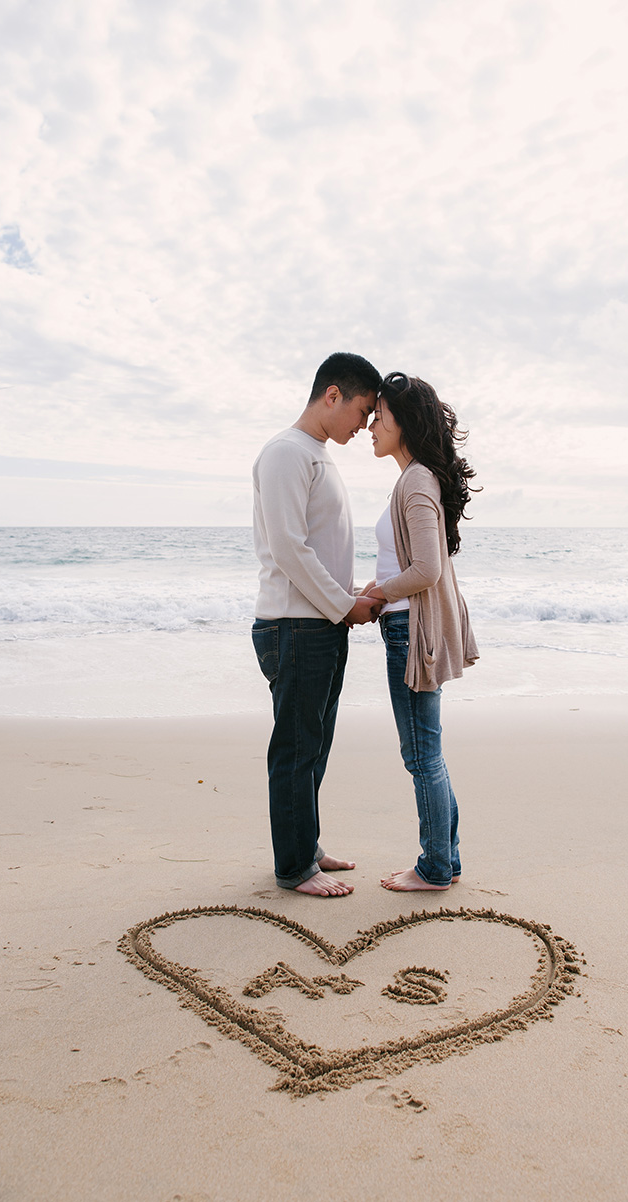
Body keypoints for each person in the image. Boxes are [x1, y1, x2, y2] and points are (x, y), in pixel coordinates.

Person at [251, 352, 383, 896]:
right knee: (297, 747)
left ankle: (305, 845)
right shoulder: (286, 452)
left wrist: (348, 593)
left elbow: (318, 549)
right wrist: (341, 604)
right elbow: (287, 547)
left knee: (316, 745)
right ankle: (293, 867)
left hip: (319, 620)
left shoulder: (317, 455)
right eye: (362, 410)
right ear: (333, 394)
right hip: (295, 626)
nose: (365, 424)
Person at [360, 372, 479, 891]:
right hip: (408, 625)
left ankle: (433, 867)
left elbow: (427, 569)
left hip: (408, 633)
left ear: (403, 423)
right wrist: (381, 584)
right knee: (428, 751)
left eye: (379, 417)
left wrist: (382, 592)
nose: (370, 425)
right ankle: (445, 860)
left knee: (420, 755)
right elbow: (418, 565)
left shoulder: (415, 481)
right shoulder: (416, 477)